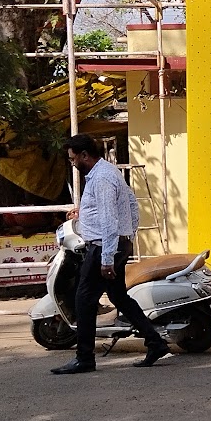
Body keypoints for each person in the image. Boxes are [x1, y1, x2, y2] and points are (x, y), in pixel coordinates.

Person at [51, 135, 169, 374]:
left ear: (85, 155)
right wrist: (127, 235)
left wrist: (106, 258)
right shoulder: (107, 171)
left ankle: (84, 358)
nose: (72, 163)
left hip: (103, 247)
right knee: (119, 297)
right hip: (115, 244)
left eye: (73, 159)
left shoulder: (102, 177)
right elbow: (131, 205)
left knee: (84, 300)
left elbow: (109, 220)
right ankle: (155, 342)